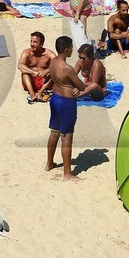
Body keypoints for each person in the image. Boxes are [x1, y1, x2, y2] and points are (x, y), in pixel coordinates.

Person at [44, 35, 84, 181]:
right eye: (71, 47)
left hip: (55, 98)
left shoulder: (53, 61)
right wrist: (78, 88)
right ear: (67, 49)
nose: (72, 49)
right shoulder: (67, 68)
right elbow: (80, 85)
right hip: (66, 102)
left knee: (54, 132)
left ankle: (49, 163)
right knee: (66, 137)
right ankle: (67, 173)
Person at [18, 30, 50, 102]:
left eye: (35, 42)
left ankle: (40, 92)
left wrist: (46, 70)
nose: (32, 44)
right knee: (24, 73)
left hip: (43, 81)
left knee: (52, 73)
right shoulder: (26, 52)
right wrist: (33, 72)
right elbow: (20, 65)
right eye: (31, 41)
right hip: (30, 82)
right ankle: (32, 94)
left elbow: (57, 64)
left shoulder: (48, 54)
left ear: (41, 43)